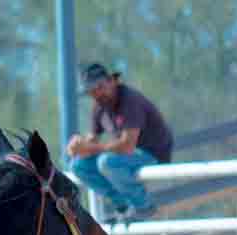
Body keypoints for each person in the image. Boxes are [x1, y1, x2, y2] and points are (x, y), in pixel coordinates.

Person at [66, 62, 174, 223]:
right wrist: (77, 146)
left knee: (107, 162)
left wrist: (89, 147)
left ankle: (144, 206)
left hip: (153, 154)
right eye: (91, 91)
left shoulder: (129, 100)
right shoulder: (99, 106)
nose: (96, 93)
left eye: (100, 86)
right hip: (126, 156)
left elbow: (127, 145)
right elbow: (92, 140)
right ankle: (122, 205)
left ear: (112, 81)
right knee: (78, 165)